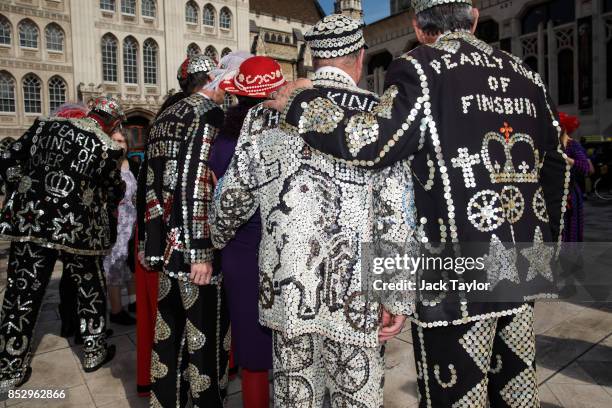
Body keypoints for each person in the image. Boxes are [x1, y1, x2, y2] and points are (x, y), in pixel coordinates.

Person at [268, 1, 570, 407]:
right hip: (522, 265)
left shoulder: (422, 69)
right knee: (514, 392)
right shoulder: (526, 75)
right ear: (474, 18)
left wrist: (301, 103)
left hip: (457, 274)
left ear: (418, 25)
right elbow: (556, 166)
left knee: (458, 395)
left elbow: (369, 142)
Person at [210, 16, 415, 408]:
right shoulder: (380, 114)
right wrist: (398, 295)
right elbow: (396, 212)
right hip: (356, 298)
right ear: (359, 57)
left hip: (288, 292)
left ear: (314, 60)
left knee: (294, 398)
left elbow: (230, 199)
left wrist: (217, 237)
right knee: (356, 397)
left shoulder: (265, 114)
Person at [0, 96, 126, 390]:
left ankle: (9, 368)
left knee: (21, 292)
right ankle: (94, 352)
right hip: (77, 230)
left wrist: (23, 188)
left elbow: (7, 157)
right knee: (89, 287)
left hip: (32, 222)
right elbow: (113, 190)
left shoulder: (45, 125)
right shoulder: (106, 147)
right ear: (114, 123)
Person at [140, 53, 243, 408]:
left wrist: (151, 243)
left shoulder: (165, 116)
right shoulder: (209, 115)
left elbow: (148, 184)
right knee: (206, 338)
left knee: (169, 334)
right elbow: (197, 184)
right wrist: (200, 250)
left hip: (168, 244)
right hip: (197, 249)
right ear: (212, 80)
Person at [209, 55, 283, 408]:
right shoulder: (289, 135)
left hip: (239, 245)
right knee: (286, 339)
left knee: (250, 338)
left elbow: (220, 202)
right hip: (283, 244)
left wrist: (219, 238)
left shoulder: (222, 143)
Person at [134, 56, 191, 397]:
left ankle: (156, 385)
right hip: (177, 230)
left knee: (158, 317)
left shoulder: (161, 121)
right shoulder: (196, 117)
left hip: (150, 229)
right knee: (181, 317)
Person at [103, 129, 137, 325]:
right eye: (115, 140)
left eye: (122, 141)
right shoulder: (107, 165)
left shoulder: (131, 164)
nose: (118, 144)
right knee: (113, 266)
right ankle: (116, 311)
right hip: (114, 223)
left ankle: (133, 302)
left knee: (129, 264)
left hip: (131, 222)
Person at [558, 112, 590, 242]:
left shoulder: (573, 145)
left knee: (571, 228)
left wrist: (567, 159)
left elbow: (585, 167)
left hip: (572, 193)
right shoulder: (554, 146)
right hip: (556, 193)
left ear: (564, 128)